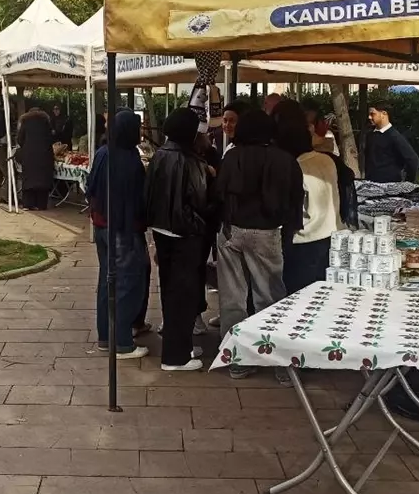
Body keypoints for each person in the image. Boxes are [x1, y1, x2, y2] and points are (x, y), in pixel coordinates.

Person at [216, 108, 303, 379]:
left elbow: (218, 194)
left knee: (233, 298)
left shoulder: (232, 157)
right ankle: (280, 366)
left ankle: (238, 359)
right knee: (271, 297)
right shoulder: (285, 160)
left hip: (231, 231)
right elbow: (295, 200)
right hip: (267, 232)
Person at [144, 108, 211, 372]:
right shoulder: (191, 161)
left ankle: (180, 346)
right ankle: (176, 356)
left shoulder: (159, 155)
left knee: (170, 291)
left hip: (162, 231)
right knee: (184, 294)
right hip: (186, 234)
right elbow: (201, 201)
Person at [85, 108, 150, 361]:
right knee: (127, 283)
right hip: (123, 228)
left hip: (102, 226)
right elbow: (137, 197)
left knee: (107, 281)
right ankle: (122, 341)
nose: (141, 132)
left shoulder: (103, 152)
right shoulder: (128, 159)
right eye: (138, 127)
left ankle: (106, 336)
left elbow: (91, 188)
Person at [273, 100, 344, 294]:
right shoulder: (327, 160)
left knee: (298, 299)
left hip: (303, 243)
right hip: (330, 238)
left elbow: (287, 210)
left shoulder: (293, 167)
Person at [365, 101, 419, 183]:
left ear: (384, 114)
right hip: (370, 184)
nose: (369, 117)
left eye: (372, 114)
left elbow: (413, 159)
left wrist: (408, 182)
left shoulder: (394, 136)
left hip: (389, 185)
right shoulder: (370, 135)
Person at [15, 104, 55, 210]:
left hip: (29, 154)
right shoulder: (46, 122)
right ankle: (41, 204)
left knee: (29, 179)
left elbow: (20, 139)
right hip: (44, 154)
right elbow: (51, 137)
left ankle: (28, 204)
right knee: (43, 180)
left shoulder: (25, 122)